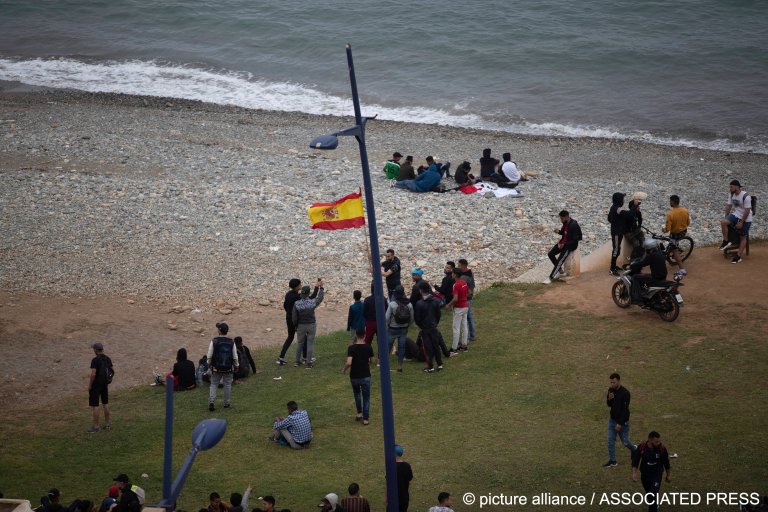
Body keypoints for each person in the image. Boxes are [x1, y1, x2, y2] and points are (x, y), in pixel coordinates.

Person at [631, 431, 672, 512]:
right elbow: (636, 460)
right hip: (645, 474)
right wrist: (634, 473)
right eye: (656, 442)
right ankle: (654, 505)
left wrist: (668, 474)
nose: (658, 443)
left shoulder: (662, 448)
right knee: (649, 493)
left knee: (653, 494)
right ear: (650, 440)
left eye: (659, 441)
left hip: (657, 474)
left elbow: (666, 463)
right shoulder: (642, 447)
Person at [342, 328, 374, 425]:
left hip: (354, 376)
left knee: (357, 394)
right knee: (366, 397)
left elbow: (349, 362)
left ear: (356, 335)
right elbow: (371, 360)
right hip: (366, 375)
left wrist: (344, 369)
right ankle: (366, 419)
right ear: (364, 336)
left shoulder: (351, 348)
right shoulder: (368, 347)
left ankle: (359, 413)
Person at [603, 373, 635, 468]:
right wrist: (609, 399)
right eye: (611, 382)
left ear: (619, 381)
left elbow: (625, 410)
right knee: (610, 441)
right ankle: (613, 461)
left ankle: (634, 449)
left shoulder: (625, 393)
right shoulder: (611, 390)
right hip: (612, 420)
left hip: (622, 422)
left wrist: (620, 423)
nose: (612, 384)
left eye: (614, 382)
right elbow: (609, 404)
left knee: (625, 442)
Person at [292, 280, 325, 369]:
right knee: (310, 343)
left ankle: (297, 361)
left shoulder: (297, 303)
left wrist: (295, 325)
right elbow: (320, 298)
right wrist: (321, 288)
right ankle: (309, 362)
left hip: (301, 325)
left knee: (300, 343)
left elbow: (294, 317)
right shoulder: (312, 302)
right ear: (308, 293)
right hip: (311, 324)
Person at [719, 179, 753, 264]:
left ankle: (738, 256)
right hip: (736, 214)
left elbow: (747, 211)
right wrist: (726, 217)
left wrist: (741, 222)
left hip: (746, 218)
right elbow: (729, 206)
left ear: (737, 187)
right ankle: (726, 241)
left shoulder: (746, 196)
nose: (730, 188)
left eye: (731, 187)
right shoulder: (731, 194)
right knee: (723, 222)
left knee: (743, 237)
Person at [207, 322, 239, 411]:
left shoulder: (214, 341)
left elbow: (209, 355)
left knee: (214, 384)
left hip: (216, 368)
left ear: (219, 330)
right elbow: (235, 356)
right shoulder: (231, 342)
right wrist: (236, 366)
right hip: (228, 368)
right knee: (227, 385)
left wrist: (209, 364)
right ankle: (226, 403)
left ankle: (212, 401)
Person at [414, 281, 443, 373]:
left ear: (421, 291)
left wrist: (421, 326)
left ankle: (430, 366)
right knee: (436, 345)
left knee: (427, 348)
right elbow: (438, 314)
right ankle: (440, 364)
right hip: (433, 326)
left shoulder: (419, 303)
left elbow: (417, 318)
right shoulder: (436, 301)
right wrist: (435, 323)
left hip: (425, 328)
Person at [547, 210, 582, 281]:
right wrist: (558, 232)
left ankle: (551, 278)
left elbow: (576, 240)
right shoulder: (565, 223)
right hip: (563, 243)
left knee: (560, 260)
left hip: (569, 246)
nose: (561, 220)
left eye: (562, 218)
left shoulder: (574, 225)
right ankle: (560, 271)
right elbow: (564, 233)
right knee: (550, 254)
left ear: (566, 217)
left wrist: (565, 244)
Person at [385, 285, 413, 372]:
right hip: (404, 329)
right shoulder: (409, 304)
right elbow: (412, 318)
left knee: (388, 346)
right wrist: (407, 325)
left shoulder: (392, 304)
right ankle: (400, 366)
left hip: (393, 328)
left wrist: (387, 326)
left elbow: (386, 318)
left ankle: (385, 364)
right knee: (401, 347)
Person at [663, 194, 691, 277]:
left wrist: (664, 230)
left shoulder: (670, 214)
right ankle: (675, 249)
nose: (669, 203)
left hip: (675, 235)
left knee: (674, 250)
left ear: (673, 202)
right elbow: (688, 222)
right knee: (674, 244)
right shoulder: (685, 210)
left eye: (670, 201)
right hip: (683, 232)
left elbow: (668, 229)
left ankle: (682, 270)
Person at [276, 278, 302, 366]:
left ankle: (281, 357)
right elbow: (309, 298)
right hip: (295, 319)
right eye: (300, 284)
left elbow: (285, 305)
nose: (301, 285)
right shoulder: (296, 296)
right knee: (303, 337)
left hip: (288, 317)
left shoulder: (288, 294)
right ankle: (306, 357)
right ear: (297, 286)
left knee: (290, 337)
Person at [88, 341, 113, 433]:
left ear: (95, 350)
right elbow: (112, 370)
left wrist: (90, 385)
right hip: (104, 384)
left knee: (95, 405)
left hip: (96, 385)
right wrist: (108, 379)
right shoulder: (107, 358)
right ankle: (107, 425)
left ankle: (96, 427)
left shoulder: (95, 360)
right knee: (105, 404)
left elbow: (93, 374)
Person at [447, 268, 469, 353]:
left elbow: (455, 299)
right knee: (464, 326)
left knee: (456, 328)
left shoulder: (456, 285)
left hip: (459, 308)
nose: (451, 274)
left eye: (452, 273)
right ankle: (464, 345)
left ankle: (454, 348)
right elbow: (468, 293)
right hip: (465, 306)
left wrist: (449, 305)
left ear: (455, 275)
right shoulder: (464, 282)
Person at [457, 259, 476, 342]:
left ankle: (467, 337)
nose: (458, 267)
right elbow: (473, 285)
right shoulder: (470, 272)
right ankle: (472, 335)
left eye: (459, 265)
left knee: (465, 319)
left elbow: (462, 289)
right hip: (469, 298)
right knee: (469, 317)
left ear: (463, 266)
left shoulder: (464, 277)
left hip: (465, 299)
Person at [623, 192, 646, 261]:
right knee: (636, 244)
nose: (639, 208)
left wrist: (639, 226)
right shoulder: (629, 215)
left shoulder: (637, 213)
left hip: (635, 230)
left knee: (642, 239)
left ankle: (642, 253)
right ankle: (633, 257)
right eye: (637, 207)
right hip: (628, 232)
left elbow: (640, 220)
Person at [608, 192, 626, 276]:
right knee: (616, 250)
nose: (623, 201)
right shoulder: (618, 209)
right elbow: (629, 215)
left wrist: (615, 223)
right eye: (622, 199)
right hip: (616, 233)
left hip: (617, 232)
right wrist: (635, 206)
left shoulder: (613, 207)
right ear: (619, 200)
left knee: (617, 250)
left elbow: (609, 218)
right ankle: (612, 269)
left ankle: (614, 266)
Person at [395, 444, 413, 512]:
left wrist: (386, 498)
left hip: (393, 498)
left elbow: (388, 484)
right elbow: (409, 480)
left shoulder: (391, 466)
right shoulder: (407, 465)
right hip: (404, 498)